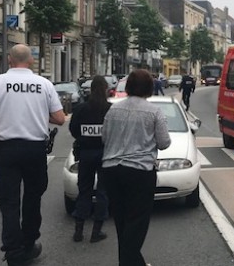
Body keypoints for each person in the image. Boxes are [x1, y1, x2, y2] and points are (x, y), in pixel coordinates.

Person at [0, 44, 65, 266]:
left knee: (9, 202)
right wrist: (37, 113)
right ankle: (29, 243)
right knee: (33, 198)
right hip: (35, 150)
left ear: (9, 60)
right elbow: (60, 118)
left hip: (6, 150)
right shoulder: (44, 84)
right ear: (31, 61)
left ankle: (13, 250)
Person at [101, 69, 171, 266]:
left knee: (121, 220)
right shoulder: (154, 111)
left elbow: (104, 138)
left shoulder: (113, 109)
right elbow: (164, 142)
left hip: (112, 170)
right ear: (150, 88)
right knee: (137, 222)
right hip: (140, 171)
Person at [69, 75, 111, 243]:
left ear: (91, 90)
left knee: (84, 191)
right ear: (105, 89)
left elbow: (73, 130)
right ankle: (96, 231)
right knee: (103, 192)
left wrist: (83, 139)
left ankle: (78, 230)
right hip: (106, 153)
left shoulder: (81, 109)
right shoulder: (110, 109)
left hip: (85, 153)